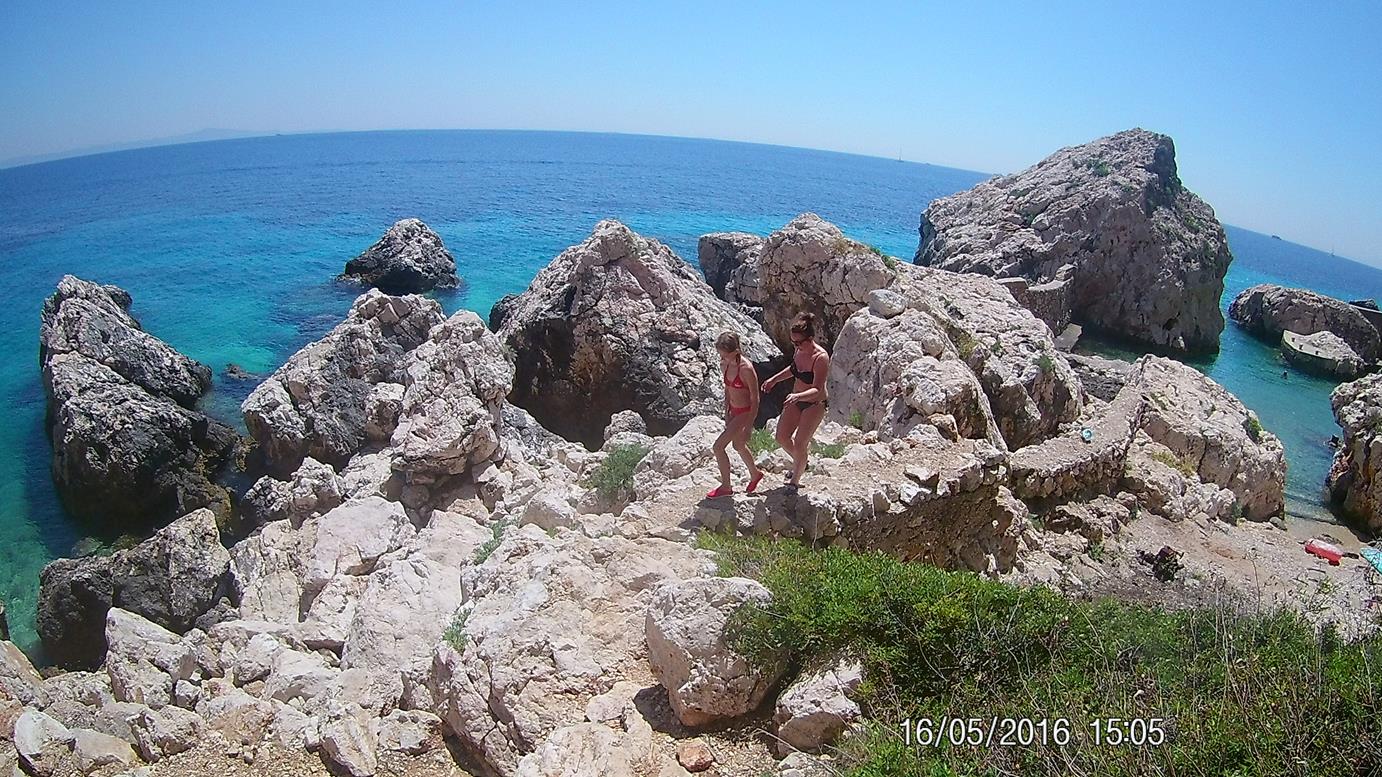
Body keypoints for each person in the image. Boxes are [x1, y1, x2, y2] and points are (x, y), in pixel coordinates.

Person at [762, 312, 831, 487]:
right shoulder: (798, 351)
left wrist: (797, 396)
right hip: (795, 399)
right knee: (782, 437)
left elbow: (817, 388)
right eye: (793, 342)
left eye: (799, 342)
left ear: (810, 339)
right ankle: (801, 461)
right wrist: (773, 380)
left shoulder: (820, 358)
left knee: (800, 442)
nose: (796, 346)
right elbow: (794, 369)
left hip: (814, 403)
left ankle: (795, 481)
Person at [706, 332, 765, 498]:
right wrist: (726, 412)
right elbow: (728, 389)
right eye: (721, 354)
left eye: (725, 354)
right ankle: (755, 474)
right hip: (733, 410)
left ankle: (726, 487)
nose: (722, 357)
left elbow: (755, 398)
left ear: (736, 351)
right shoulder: (724, 364)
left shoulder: (746, 369)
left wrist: (749, 426)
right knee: (738, 445)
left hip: (745, 412)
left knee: (718, 447)